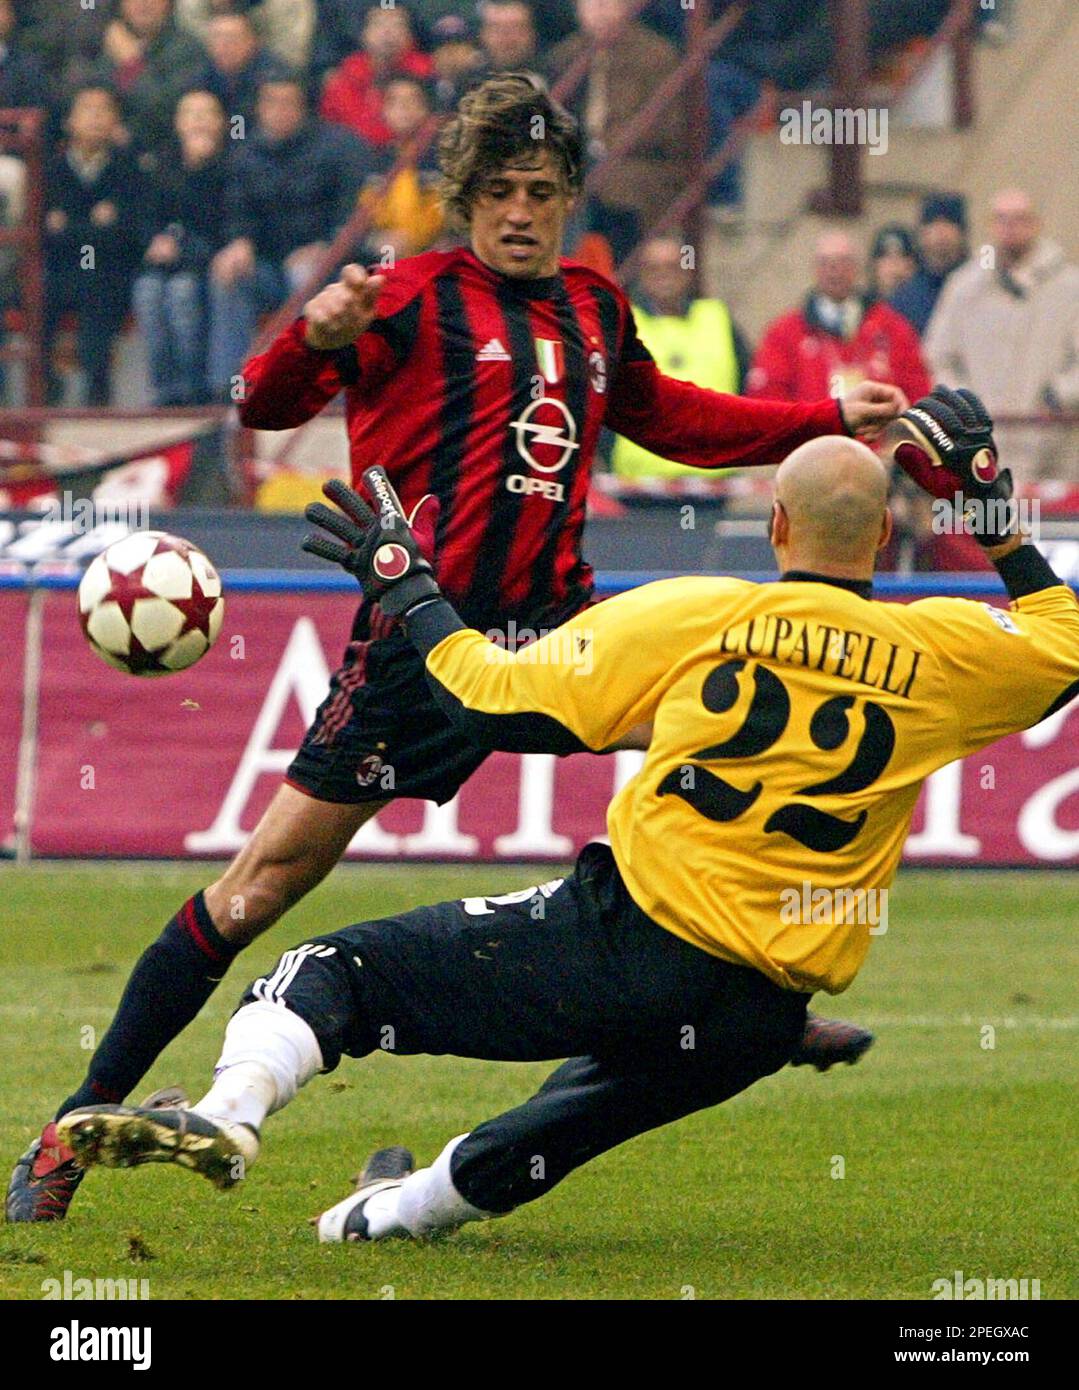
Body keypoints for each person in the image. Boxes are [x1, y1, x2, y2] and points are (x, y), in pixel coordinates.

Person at [8, 73, 904, 1224]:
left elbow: (673, 417)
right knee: (256, 891)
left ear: (570, 196)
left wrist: (823, 418)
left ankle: (756, 1008)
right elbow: (263, 406)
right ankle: (69, 1130)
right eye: (494, 192)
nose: (518, 211)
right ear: (459, 199)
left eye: (538, 190)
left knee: (759, 719)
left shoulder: (591, 303)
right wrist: (308, 338)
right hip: (418, 645)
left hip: (562, 635)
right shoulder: (404, 296)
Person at [55, 389, 1079, 1240]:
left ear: (774, 524)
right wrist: (984, 498)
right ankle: (375, 1218)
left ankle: (227, 1113)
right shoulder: (944, 652)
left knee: (328, 974)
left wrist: (406, 587)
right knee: (537, 1138)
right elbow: (1062, 637)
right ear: (890, 526)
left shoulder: (695, 615)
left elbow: (485, 695)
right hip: (760, 1011)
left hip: (630, 940)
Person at [205, 74, 367, 399]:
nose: (280, 111)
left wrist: (325, 247)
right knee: (228, 274)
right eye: (271, 102)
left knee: (304, 274)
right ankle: (230, 387)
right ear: (260, 108)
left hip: (327, 265)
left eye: (288, 103)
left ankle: (302, 381)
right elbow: (237, 211)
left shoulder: (337, 148)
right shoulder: (245, 153)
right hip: (267, 266)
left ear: (304, 107)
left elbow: (353, 214)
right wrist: (239, 242)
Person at [924, 188, 1079, 481]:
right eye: (1001, 219)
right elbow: (938, 357)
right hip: (980, 448)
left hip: (1053, 450)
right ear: (990, 225)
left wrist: (1058, 395)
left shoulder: (1071, 289)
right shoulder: (964, 286)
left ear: (1036, 224)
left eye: (1020, 219)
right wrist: (963, 403)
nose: (1010, 228)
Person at [545, 0, 687, 263]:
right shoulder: (564, 55)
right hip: (577, 162)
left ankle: (613, 278)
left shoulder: (657, 54)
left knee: (607, 191)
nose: (599, 11)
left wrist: (609, 144)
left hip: (637, 165)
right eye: (590, 4)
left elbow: (669, 128)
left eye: (608, 3)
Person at [611, 232, 750, 479]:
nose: (663, 275)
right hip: (638, 487)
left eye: (672, 267)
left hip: (713, 483)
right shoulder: (621, 326)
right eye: (653, 268)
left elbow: (747, 384)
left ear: (688, 271)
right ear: (641, 274)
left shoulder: (718, 319)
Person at [42, 85, 146, 405]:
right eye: (87, 109)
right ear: (69, 121)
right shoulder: (50, 169)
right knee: (37, 291)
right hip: (61, 267)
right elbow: (45, 234)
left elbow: (126, 233)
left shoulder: (129, 168)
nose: (96, 118)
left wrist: (70, 226)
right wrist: (93, 224)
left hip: (108, 267)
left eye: (105, 110)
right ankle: (44, 383)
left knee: (97, 287)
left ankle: (97, 388)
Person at [747, 230, 931, 407]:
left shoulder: (891, 327)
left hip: (878, 437)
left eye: (843, 262)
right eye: (826, 263)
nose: (834, 270)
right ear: (815, 269)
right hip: (814, 437)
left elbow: (917, 393)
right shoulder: (785, 333)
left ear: (856, 268)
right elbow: (768, 400)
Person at [132, 89, 230, 405]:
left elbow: (221, 226)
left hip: (205, 263)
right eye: (190, 113)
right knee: (147, 294)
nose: (198, 121)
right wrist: (153, 241)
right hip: (162, 264)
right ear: (177, 123)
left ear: (222, 122)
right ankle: (164, 390)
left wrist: (199, 170)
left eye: (207, 113)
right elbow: (145, 217)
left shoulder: (231, 165)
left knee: (182, 294)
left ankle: (192, 388)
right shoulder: (159, 163)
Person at [90, 0, 207, 154]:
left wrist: (131, 64)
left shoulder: (189, 49)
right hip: (107, 154)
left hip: (164, 155)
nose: (144, 4)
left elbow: (166, 109)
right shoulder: (104, 42)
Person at [319, 3, 434, 149]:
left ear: (409, 34)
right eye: (379, 24)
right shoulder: (343, 80)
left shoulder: (428, 74)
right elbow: (330, 133)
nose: (388, 31)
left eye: (397, 25)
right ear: (363, 34)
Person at [355, 77, 444, 261]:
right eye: (393, 101)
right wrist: (376, 241)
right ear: (383, 111)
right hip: (389, 252)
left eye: (413, 100)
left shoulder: (443, 158)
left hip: (438, 252)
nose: (403, 107)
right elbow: (356, 221)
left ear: (427, 108)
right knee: (386, 266)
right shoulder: (372, 162)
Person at [190, 9, 289, 131]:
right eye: (217, 38)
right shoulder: (200, 74)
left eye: (231, 38)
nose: (224, 45)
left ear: (252, 41)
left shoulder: (274, 76)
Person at [889, 193, 968, 337]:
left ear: (961, 232)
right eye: (933, 223)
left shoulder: (974, 288)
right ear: (922, 232)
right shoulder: (904, 299)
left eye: (949, 223)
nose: (941, 231)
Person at [869, 224, 917, 300]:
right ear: (874, 265)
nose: (894, 264)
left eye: (901, 255)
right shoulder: (860, 307)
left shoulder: (923, 305)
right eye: (886, 255)